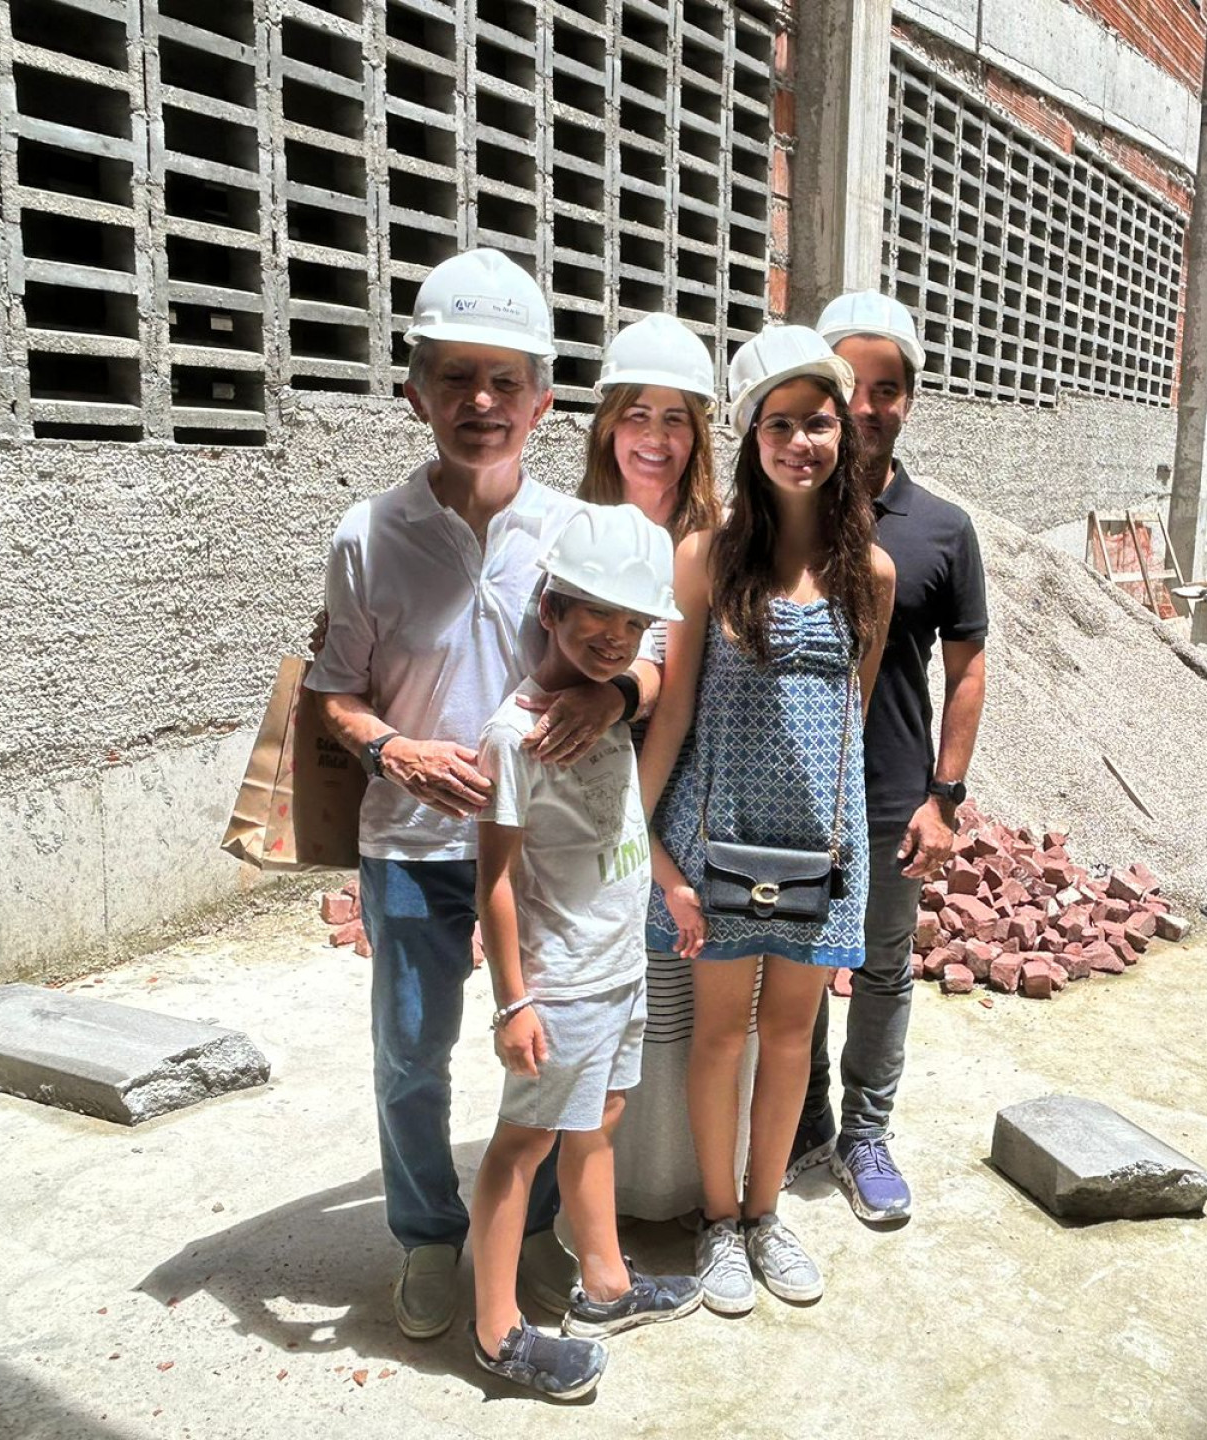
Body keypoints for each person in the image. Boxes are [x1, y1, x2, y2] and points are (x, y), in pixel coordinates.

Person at [305, 249, 651, 1343]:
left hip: (542, 853)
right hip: (409, 844)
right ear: (417, 391)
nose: (482, 402)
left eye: (506, 381)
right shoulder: (370, 536)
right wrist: (392, 750)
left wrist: (623, 694)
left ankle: (537, 1233)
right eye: (457, 377)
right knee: (411, 1047)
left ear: (544, 402)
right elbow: (332, 696)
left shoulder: (574, 530)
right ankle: (425, 1237)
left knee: (545, 1048)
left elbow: (658, 646)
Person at [639, 324, 897, 1313]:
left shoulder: (869, 576)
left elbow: (852, 723)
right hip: (714, 843)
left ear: (844, 434)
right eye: (780, 424)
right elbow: (672, 711)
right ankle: (716, 1227)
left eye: (819, 423)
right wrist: (645, 837)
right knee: (719, 1038)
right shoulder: (706, 558)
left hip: (817, 851)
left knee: (791, 1038)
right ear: (751, 437)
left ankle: (764, 1215)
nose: (801, 442)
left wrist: (852, 863)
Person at [468, 503, 701, 1397]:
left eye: (634, 620)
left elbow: (618, 829)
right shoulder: (513, 734)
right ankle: (497, 1334)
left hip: (619, 969)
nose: (616, 636)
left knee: (598, 1125)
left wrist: (665, 884)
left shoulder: (606, 710)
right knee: (519, 1149)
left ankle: (604, 1284)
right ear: (549, 608)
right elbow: (494, 880)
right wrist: (514, 1002)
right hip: (560, 985)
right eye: (596, 613)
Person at [788, 291, 989, 1224]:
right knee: (790, 961)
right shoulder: (780, 510)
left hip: (888, 792)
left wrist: (943, 797)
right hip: (786, 791)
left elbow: (968, 665)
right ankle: (802, 1125)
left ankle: (865, 1132)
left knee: (878, 966)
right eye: (851, 386)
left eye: (889, 388)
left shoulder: (942, 529)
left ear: (910, 400)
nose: (868, 407)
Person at [573, 314, 753, 1224]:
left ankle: (683, 1193)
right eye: (637, 413)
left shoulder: (720, 539)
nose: (655, 437)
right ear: (608, 422)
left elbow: (690, 691)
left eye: (676, 417)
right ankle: (599, 1213)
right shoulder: (570, 532)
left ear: (700, 435)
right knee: (595, 1007)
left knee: (684, 1004)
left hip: (686, 802)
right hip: (581, 806)